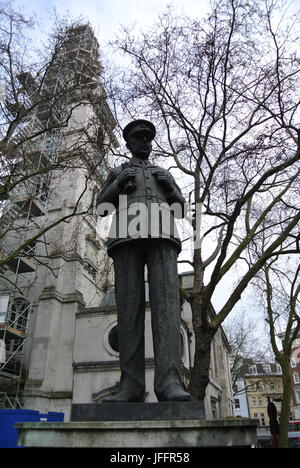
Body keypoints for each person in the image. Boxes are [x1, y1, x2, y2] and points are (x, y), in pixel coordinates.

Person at [97, 119, 191, 403]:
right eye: (138, 140)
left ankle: (170, 382)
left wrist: (171, 189)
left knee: (167, 309)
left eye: (147, 140)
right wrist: (116, 186)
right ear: (129, 144)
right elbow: (102, 207)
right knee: (128, 312)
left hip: (162, 237)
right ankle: (131, 386)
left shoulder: (163, 173)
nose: (144, 144)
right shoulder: (118, 171)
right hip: (126, 238)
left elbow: (181, 210)